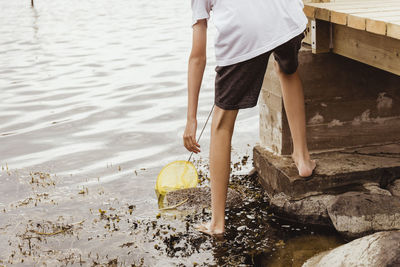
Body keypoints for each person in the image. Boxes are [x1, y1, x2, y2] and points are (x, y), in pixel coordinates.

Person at [183, 0, 317, 236]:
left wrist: (191, 118)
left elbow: (197, 56)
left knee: (221, 124)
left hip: (245, 32)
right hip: (286, 16)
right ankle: (303, 159)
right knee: (287, 70)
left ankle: (216, 224)